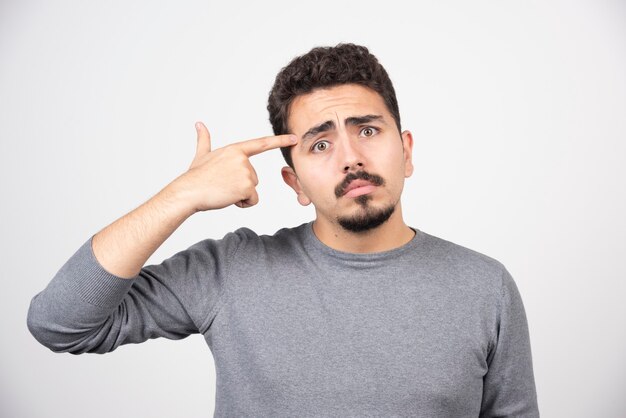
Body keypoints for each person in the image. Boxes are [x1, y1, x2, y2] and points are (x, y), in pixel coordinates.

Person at [27, 43, 539, 417]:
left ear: (406, 151)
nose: (351, 158)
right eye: (320, 144)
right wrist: (180, 196)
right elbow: (60, 323)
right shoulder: (231, 271)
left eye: (367, 130)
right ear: (293, 181)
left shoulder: (484, 286)